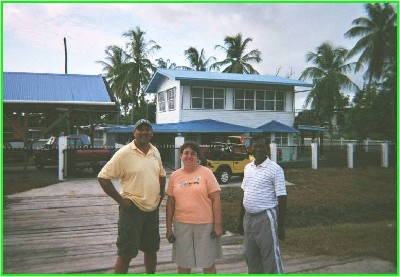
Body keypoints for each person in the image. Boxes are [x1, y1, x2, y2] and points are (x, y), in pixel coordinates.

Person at [97, 119, 166, 274]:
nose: (143, 132)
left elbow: (161, 174)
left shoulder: (155, 151)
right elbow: (103, 177)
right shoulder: (124, 153)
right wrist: (120, 200)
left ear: (152, 133)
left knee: (151, 250)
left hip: (152, 210)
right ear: (134, 133)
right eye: (140, 129)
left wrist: (161, 194)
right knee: (125, 253)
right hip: (132, 210)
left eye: (147, 129)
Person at [166, 141, 223, 274]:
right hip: (182, 225)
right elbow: (170, 203)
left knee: (208, 263)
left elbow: (216, 199)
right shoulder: (175, 176)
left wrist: (218, 225)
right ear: (181, 155)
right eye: (186, 153)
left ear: (198, 157)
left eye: (193, 153)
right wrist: (169, 228)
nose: (189, 156)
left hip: (205, 225)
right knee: (183, 265)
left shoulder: (206, 173)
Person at [238, 135, 287, 274]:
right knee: (250, 255)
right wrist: (240, 220)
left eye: (262, 146)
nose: (258, 149)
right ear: (250, 149)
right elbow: (244, 194)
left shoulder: (275, 169)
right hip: (248, 218)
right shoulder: (248, 168)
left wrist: (281, 225)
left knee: (270, 257)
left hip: (265, 218)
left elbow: (282, 198)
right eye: (255, 146)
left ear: (267, 149)